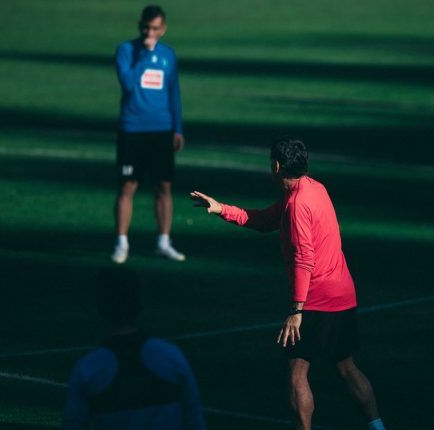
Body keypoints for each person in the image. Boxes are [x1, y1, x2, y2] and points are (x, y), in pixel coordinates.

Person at [190, 138, 387, 430]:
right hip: (342, 292)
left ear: (276, 166)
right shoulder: (313, 188)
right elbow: (264, 220)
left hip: (315, 299)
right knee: (346, 366)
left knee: (297, 371)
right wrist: (222, 209)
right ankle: (377, 426)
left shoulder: (296, 205)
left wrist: (297, 310)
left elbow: (303, 259)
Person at [63, 268, 205, 430]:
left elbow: (73, 423)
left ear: (100, 307)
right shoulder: (172, 357)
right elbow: (194, 421)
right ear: (139, 303)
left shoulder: (88, 369)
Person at [111, 5, 186, 264]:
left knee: (164, 186)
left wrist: (178, 128)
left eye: (155, 28)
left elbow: (173, 93)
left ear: (163, 29)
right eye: (146, 27)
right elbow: (129, 85)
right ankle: (122, 242)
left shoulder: (169, 56)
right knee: (127, 186)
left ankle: (163, 242)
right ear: (139, 25)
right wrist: (144, 55)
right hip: (132, 129)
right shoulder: (126, 51)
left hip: (162, 130)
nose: (149, 33)